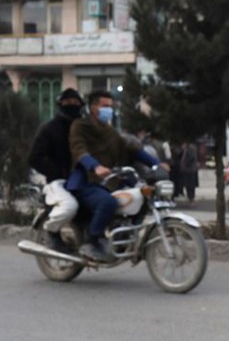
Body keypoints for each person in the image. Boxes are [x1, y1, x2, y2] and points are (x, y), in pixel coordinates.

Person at [67, 90, 161, 262]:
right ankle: (92, 242)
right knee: (108, 202)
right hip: (86, 182)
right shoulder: (79, 126)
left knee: (141, 197)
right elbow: (79, 150)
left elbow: (128, 148)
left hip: (109, 181)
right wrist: (95, 166)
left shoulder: (109, 131)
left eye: (111, 107)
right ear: (93, 107)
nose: (109, 110)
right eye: (105, 106)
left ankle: (127, 238)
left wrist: (155, 163)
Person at [27, 88, 83, 252]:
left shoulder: (84, 128)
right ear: (61, 105)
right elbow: (34, 157)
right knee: (69, 206)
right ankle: (51, 231)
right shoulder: (50, 129)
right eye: (68, 103)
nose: (72, 106)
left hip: (83, 179)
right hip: (58, 181)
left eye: (75, 103)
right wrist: (58, 172)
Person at [179, 141, 199, 205]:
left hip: (190, 169)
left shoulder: (191, 148)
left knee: (190, 184)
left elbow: (191, 158)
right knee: (188, 184)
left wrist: (185, 164)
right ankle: (190, 197)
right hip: (188, 169)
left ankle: (191, 197)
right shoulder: (187, 148)